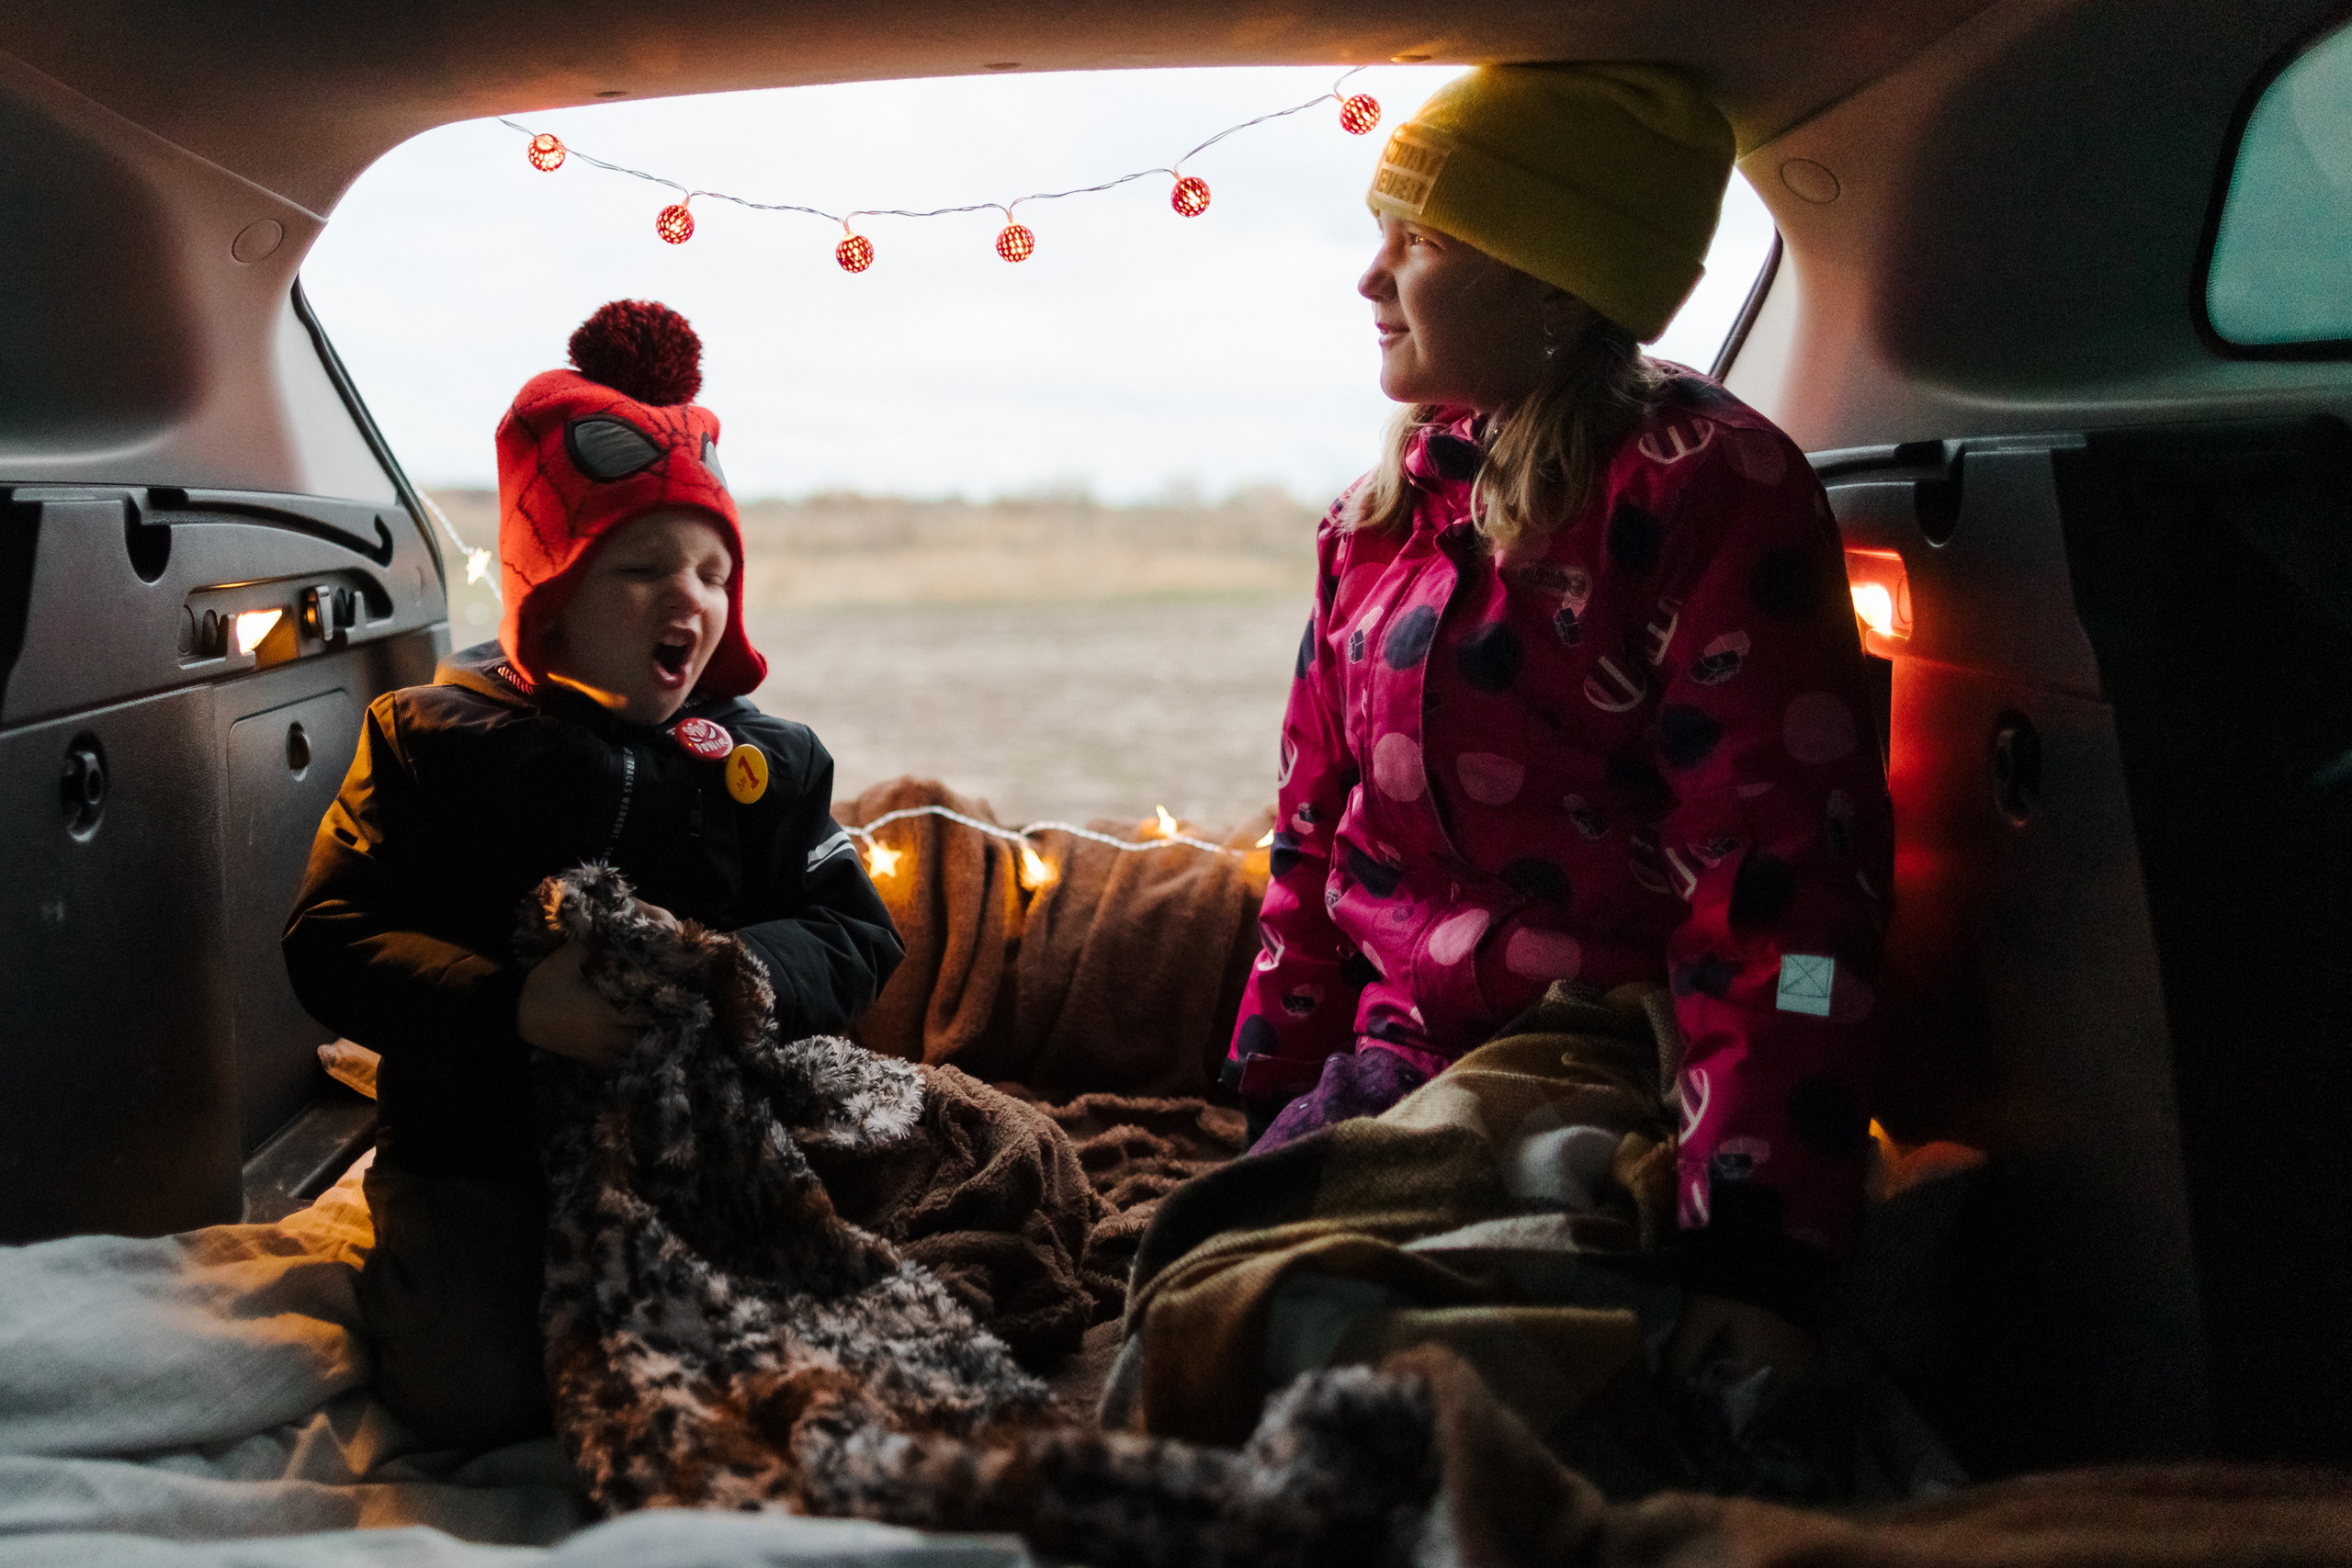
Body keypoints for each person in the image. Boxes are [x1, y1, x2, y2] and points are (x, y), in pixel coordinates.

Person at [1221, 65, 1894, 1384]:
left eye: (1414, 242)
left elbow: (1779, 886)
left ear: (1548, 280)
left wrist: (1757, 1242)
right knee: (1213, 1283)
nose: (1369, 280)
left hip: (1614, 1057)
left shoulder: (1705, 489)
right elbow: (1315, 840)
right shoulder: (1374, 525)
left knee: (1341, 1336)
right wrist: (1269, 1084)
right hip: (1399, 1051)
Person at [283, 299, 903, 1447]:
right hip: (484, 1146)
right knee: (472, 1396)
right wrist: (514, 1007)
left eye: (715, 574)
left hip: (700, 1137)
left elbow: (857, 928)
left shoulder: (766, 759)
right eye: (643, 567)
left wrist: (743, 972)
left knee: (779, 1351)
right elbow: (331, 933)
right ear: (552, 591)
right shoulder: (436, 740)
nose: (692, 602)